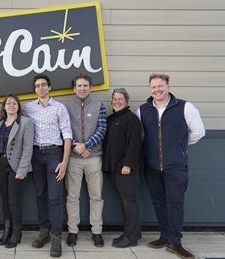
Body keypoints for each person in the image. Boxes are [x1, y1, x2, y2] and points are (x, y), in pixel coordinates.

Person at [137, 73, 205, 259]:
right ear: (150, 89)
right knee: (159, 202)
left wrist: (179, 148)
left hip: (175, 166)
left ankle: (175, 242)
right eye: (153, 87)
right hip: (151, 166)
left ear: (168, 86)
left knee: (175, 204)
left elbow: (199, 132)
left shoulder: (185, 107)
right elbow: (140, 137)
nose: (157, 90)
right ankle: (165, 236)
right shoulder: (143, 110)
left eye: (160, 86)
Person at [24, 74, 72, 257]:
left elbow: (67, 135)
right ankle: (43, 231)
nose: (41, 88)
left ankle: (56, 236)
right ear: (35, 89)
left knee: (54, 197)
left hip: (54, 154)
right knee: (40, 194)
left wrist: (64, 162)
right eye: (37, 86)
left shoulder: (60, 108)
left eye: (44, 85)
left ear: (50, 87)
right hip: (36, 155)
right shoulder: (28, 108)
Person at [64, 73, 107, 248]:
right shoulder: (66, 107)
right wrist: (76, 146)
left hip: (94, 157)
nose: (82, 88)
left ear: (90, 88)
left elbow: (102, 128)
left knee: (96, 196)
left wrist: (87, 145)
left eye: (85, 85)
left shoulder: (99, 106)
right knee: (72, 196)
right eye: (79, 85)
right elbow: (64, 130)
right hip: (73, 158)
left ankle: (97, 231)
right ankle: (73, 231)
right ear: (74, 88)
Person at [0, 95, 34, 248]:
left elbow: (28, 148)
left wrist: (22, 169)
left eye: (14, 103)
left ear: (18, 106)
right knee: (4, 200)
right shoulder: (0, 124)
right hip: (0, 166)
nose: (11, 105)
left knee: (13, 201)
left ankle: (17, 232)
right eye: (8, 103)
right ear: (4, 107)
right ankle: (6, 230)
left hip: (16, 167)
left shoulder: (25, 123)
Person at [103, 88, 142, 248]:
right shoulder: (111, 119)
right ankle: (132, 232)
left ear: (127, 101)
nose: (117, 101)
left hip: (125, 169)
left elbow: (135, 144)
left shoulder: (131, 119)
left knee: (129, 202)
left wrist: (128, 164)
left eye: (120, 99)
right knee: (125, 202)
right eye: (115, 98)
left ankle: (131, 237)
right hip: (114, 168)